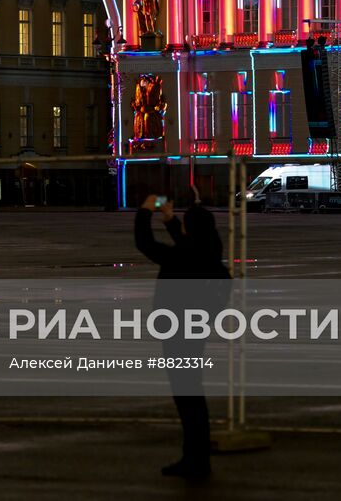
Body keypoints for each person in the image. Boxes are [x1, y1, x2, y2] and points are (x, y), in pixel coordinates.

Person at [134, 194, 229, 481]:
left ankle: (195, 459)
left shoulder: (182, 257)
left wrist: (144, 211)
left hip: (176, 331)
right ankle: (196, 457)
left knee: (187, 396)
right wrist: (171, 220)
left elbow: (145, 244)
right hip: (194, 330)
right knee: (192, 393)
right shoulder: (210, 251)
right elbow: (191, 246)